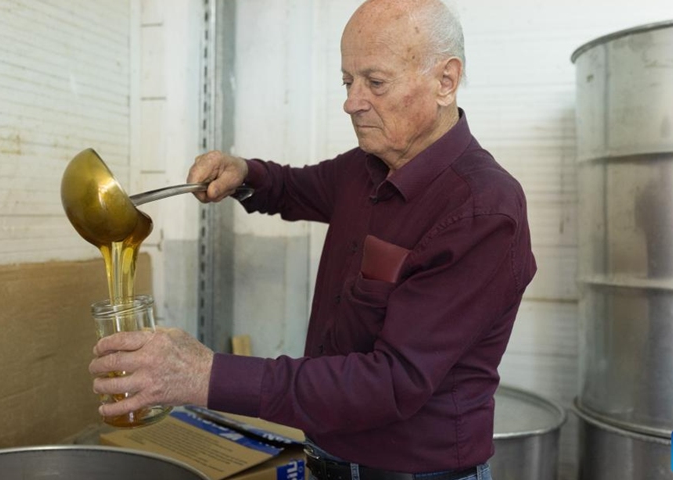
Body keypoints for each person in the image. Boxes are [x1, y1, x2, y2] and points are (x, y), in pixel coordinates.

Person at [89, 1, 535, 479]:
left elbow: (391, 382)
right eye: (347, 81)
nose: (351, 101)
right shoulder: (366, 167)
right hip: (324, 461)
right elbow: (292, 187)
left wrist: (203, 375)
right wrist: (242, 174)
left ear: (445, 81)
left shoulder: (483, 210)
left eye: (375, 82)